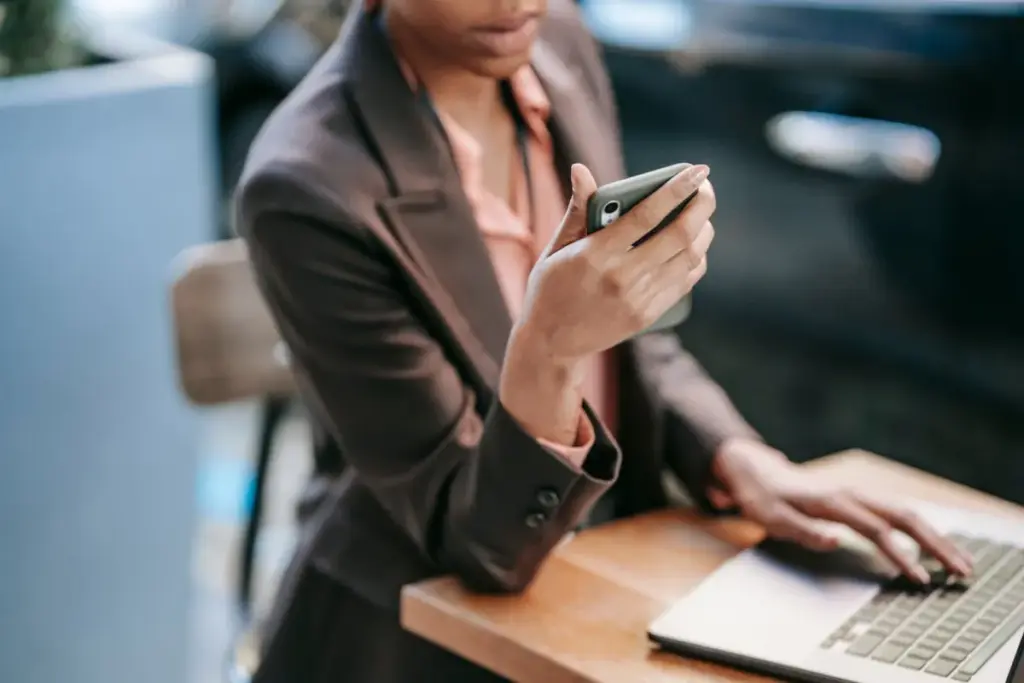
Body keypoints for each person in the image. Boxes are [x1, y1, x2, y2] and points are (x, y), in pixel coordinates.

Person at [236, 1, 972, 681]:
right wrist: (550, 351)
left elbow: (637, 346)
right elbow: (481, 545)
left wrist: (742, 458)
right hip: (417, 630)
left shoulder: (553, 42)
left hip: (606, 563)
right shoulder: (305, 184)